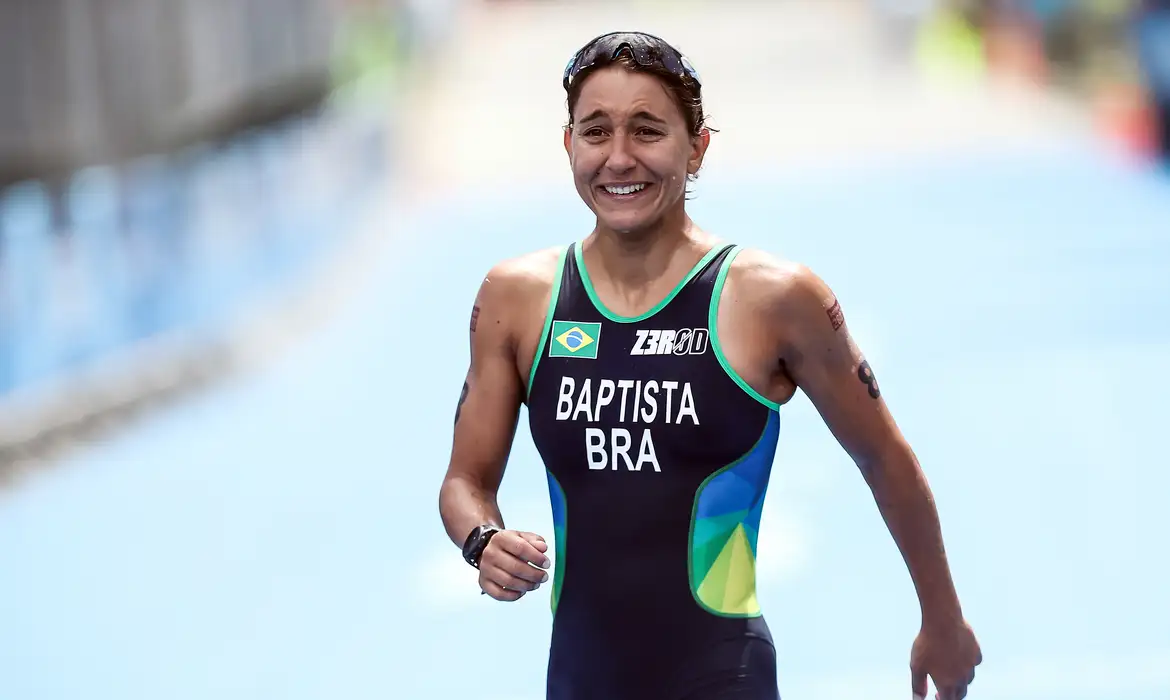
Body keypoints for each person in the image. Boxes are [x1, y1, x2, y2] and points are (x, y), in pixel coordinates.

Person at [438, 31, 982, 700]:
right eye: (596, 131)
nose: (619, 158)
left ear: (696, 147)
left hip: (722, 673)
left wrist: (942, 618)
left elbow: (885, 457)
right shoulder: (517, 299)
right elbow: (464, 481)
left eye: (647, 130)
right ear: (569, 143)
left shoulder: (772, 298)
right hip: (580, 677)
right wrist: (482, 541)